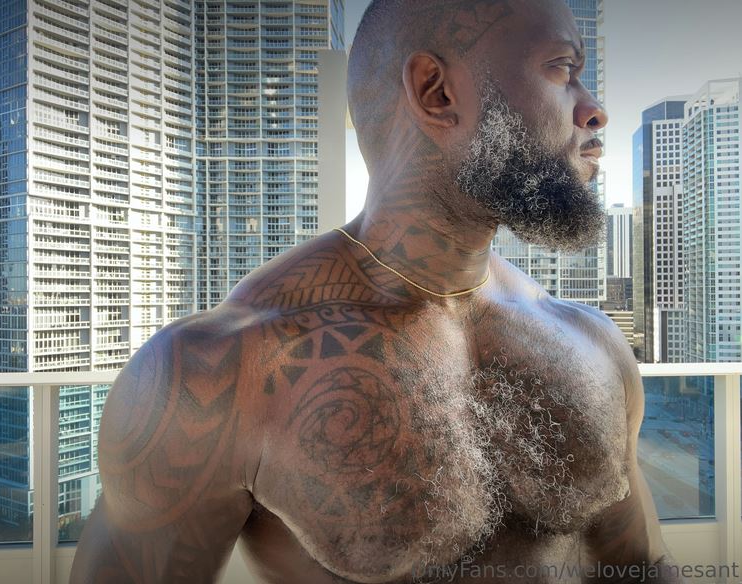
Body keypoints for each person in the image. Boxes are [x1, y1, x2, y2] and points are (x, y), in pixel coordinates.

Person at [72, 0, 682, 582]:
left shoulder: (590, 341)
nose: (595, 110)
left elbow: (643, 570)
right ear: (436, 93)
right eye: (562, 69)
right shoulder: (218, 370)